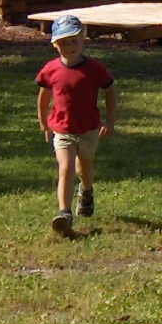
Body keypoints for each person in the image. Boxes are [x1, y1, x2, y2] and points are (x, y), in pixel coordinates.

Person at [35, 13, 116, 236]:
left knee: (84, 169)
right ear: (55, 44)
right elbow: (43, 96)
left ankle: (87, 190)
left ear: (83, 39)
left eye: (74, 41)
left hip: (88, 129)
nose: (69, 46)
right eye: (63, 42)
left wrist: (109, 120)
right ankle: (65, 213)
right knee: (66, 168)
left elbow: (110, 91)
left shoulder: (94, 68)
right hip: (62, 129)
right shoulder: (51, 70)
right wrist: (43, 123)